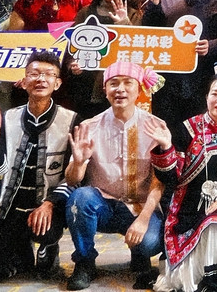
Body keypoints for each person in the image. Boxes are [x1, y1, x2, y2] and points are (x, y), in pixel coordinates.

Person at [0, 52, 77, 288]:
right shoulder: (8, 118)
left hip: (47, 209)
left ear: (57, 83)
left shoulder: (70, 120)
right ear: (24, 81)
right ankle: (20, 256)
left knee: (46, 234)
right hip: (10, 211)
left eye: (48, 74)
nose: (41, 79)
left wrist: (50, 204)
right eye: (34, 74)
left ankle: (48, 246)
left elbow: (75, 177)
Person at [64, 62, 168, 290]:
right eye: (113, 83)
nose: (120, 89)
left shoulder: (156, 126)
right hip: (103, 205)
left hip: (139, 207)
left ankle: (139, 254)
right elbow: (72, 180)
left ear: (139, 89)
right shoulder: (89, 126)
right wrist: (79, 162)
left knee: (150, 243)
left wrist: (143, 219)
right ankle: (84, 261)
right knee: (79, 199)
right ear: (105, 90)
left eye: (128, 83)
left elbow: (159, 181)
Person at [149, 72, 217, 292]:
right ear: (207, 97)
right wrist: (166, 147)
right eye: (215, 94)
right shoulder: (187, 129)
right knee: (181, 281)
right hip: (186, 209)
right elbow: (171, 177)